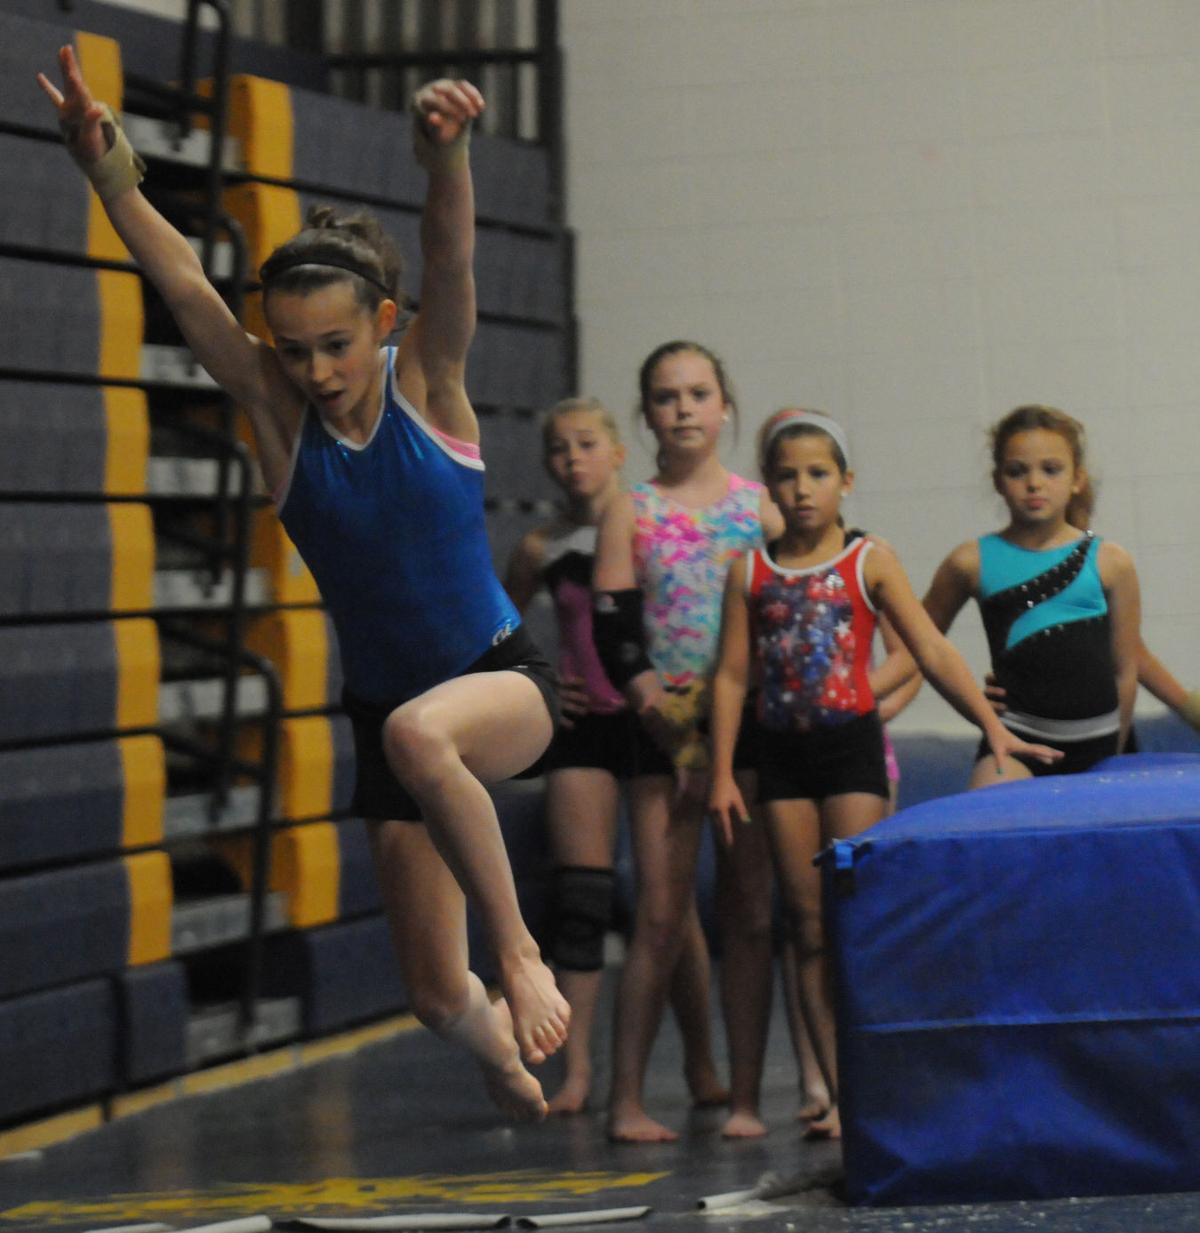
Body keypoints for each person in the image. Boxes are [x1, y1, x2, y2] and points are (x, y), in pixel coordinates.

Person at [39, 51, 568, 1121]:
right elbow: (185, 284)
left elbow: (449, 258)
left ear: (385, 322)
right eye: (292, 350)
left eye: (336, 345)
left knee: (423, 739)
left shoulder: (431, 385)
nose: (316, 372)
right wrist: (110, 173)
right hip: (386, 714)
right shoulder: (281, 422)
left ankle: (522, 953)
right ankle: (502, 1044)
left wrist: (446, 152)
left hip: (499, 683)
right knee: (428, 991)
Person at [707, 407, 1059, 1140]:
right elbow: (734, 672)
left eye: (818, 474)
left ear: (845, 482)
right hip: (781, 756)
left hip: (850, 753)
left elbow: (930, 649)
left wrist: (993, 728)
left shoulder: (869, 560)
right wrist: (720, 773)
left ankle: (882, 1077)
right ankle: (842, 1094)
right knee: (804, 926)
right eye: (787, 476)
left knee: (851, 920)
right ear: (769, 486)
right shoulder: (751, 569)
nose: (802, 489)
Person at [504, 397, 727, 1115]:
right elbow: (496, 628)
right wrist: (538, 679)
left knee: (672, 909)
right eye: (560, 448)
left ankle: (700, 1058)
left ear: (618, 451)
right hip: (583, 726)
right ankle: (576, 1071)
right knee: (581, 899)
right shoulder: (542, 547)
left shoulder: (646, 525)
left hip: (652, 721)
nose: (574, 458)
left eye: (587, 443)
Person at [592, 340, 781, 1142]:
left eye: (698, 393)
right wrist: (654, 709)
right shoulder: (629, 507)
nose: (683, 409)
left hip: (745, 730)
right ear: (646, 415)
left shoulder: (760, 507)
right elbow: (614, 628)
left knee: (747, 912)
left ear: (725, 406)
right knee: (661, 916)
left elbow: (789, 614)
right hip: (659, 731)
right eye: (666, 397)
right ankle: (626, 1098)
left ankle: (744, 1094)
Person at [923, 405, 1142, 786]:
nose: (1034, 483)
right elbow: (918, 641)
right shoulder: (971, 562)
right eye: (1017, 471)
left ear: (1077, 479)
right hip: (1015, 741)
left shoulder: (1111, 562)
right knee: (987, 815)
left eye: (1051, 469)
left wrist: (1115, 750)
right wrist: (974, 707)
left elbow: (1126, 669)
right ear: (998, 480)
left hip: (1099, 746)